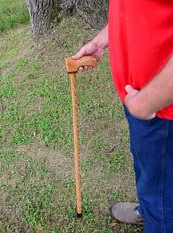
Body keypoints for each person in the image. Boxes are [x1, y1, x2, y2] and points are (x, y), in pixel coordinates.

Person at [72, 1, 173, 233]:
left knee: (164, 196)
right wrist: (101, 41)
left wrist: (145, 104)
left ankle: (159, 216)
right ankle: (150, 209)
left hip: (162, 111)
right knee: (149, 171)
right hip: (141, 102)